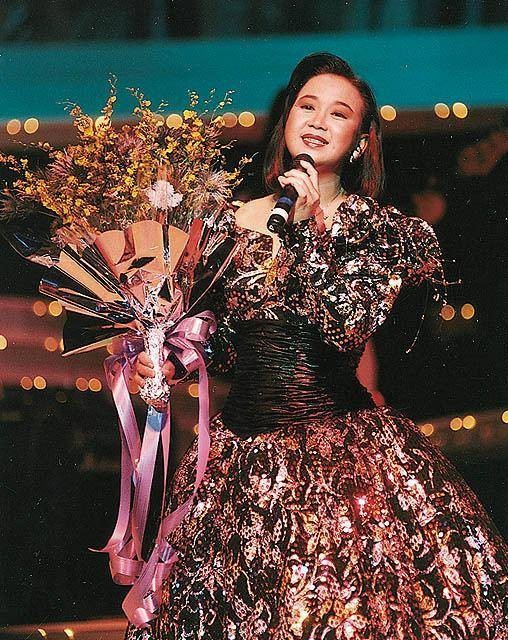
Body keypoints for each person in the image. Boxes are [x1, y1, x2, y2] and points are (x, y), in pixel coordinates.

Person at [126, 53, 507, 639]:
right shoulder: (228, 224)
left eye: (339, 113)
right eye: (307, 106)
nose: (319, 121)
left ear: (360, 141)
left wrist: (309, 233)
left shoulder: (381, 229)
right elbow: (226, 343)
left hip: (337, 461)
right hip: (237, 462)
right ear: (286, 119)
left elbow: (346, 325)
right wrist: (167, 358)